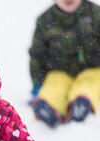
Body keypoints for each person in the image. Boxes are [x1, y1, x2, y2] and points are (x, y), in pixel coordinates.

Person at [29, 0, 100, 128]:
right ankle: (48, 106)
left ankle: (81, 103)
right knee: (54, 84)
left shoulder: (96, 14)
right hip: (59, 70)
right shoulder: (45, 20)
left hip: (92, 68)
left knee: (91, 82)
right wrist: (38, 84)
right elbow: (37, 55)